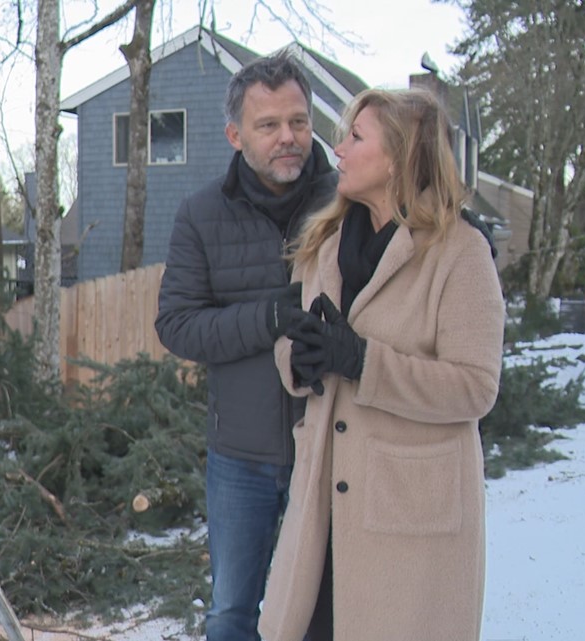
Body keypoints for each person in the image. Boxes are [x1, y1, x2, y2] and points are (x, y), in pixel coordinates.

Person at [258, 88, 505, 641]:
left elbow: (475, 386)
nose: (338, 150)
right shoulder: (324, 242)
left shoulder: (460, 252)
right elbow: (293, 342)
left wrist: (364, 362)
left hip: (408, 524)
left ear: (397, 156)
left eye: (355, 137)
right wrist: (297, 358)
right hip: (320, 510)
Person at [154, 50, 338, 641]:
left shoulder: (349, 204)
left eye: (299, 122)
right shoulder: (201, 214)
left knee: (324, 611)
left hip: (333, 447)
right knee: (233, 612)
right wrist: (268, 319)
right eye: (269, 125)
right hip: (241, 456)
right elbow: (176, 324)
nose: (289, 137)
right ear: (236, 135)